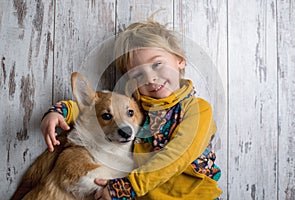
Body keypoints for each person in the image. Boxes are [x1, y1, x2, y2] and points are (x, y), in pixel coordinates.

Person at [40, 21, 222, 200]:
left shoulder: (197, 109)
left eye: (157, 64)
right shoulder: (138, 107)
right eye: (138, 74)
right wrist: (60, 112)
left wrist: (127, 187)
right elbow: (94, 108)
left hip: (195, 196)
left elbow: (176, 156)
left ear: (180, 60)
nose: (150, 78)